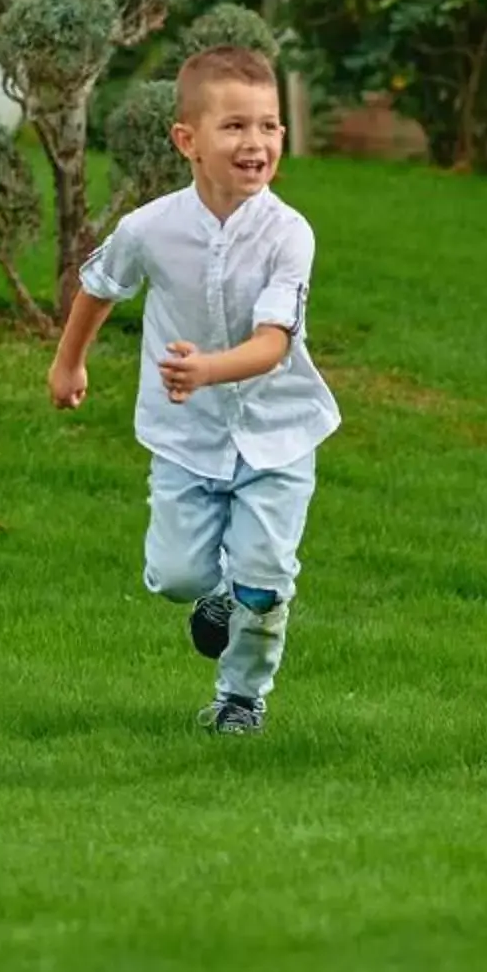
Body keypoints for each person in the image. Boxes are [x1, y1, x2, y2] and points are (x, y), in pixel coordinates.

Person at [50, 44, 337, 737]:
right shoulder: (150, 227)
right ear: (188, 140)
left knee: (266, 580)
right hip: (184, 436)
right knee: (176, 574)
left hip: (279, 434)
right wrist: (69, 365)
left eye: (269, 126)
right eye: (235, 126)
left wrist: (208, 368)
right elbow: (98, 287)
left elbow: (274, 344)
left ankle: (241, 698)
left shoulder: (288, 234)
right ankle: (214, 597)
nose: (256, 142)